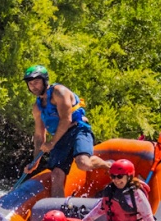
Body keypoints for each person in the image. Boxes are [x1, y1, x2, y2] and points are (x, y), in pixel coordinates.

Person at [22, 65, 111, 197]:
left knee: (83, 163)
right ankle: (58, 210)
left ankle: (109, 165)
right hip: (60, 138)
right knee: (56, 174)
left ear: (44, 81)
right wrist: (35, 161)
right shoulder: (37, 107)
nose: (33, 86)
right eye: (30, 84)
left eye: (36, 82)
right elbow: (39, 136)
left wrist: (52, 143)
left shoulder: (59, 92)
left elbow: (66, 119)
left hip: (78, 129)